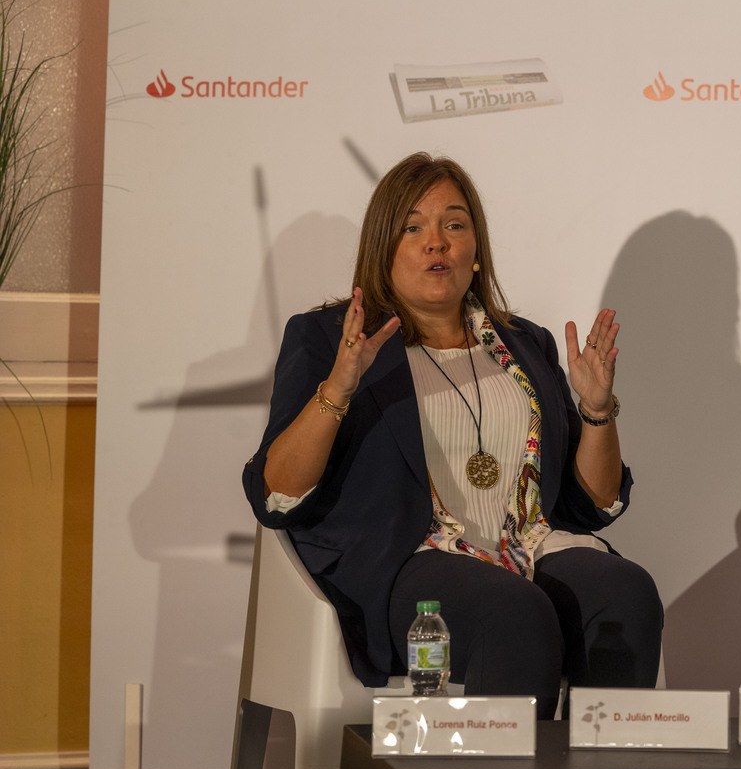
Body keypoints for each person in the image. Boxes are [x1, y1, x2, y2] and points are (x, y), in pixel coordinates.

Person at [243, 153, 662, 718]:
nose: (436, 242)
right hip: (410, 562)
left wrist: (596, 411)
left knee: (626, 596)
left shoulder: (524, 345)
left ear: (476, 248)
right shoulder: (329, 338)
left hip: (528, 545)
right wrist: (339, 387)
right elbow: (276, 495)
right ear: (382, 246)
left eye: (454, 225)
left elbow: (592, 504)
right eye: (413, 227)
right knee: (512, 614)